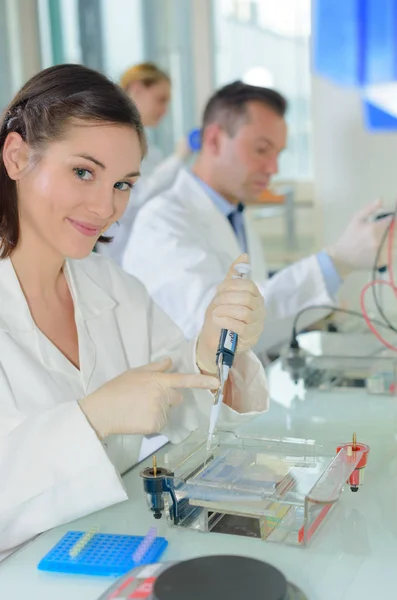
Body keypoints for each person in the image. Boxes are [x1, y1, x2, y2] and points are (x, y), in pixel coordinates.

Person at [0, 66, 268, 561]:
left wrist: (211, 352)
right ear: (17, 157)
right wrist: (90, 418)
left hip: (109, 560)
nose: (106, 207)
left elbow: (192, 414)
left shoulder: (113, 287)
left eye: (123, 184)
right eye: (83, 171)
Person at [122, 81, 393, 353]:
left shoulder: (234, 216)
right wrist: (337, 261)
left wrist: (303, 318)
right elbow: (215, 326)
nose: (273, 168)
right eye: (262, 150)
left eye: (278, 154)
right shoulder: (161, 222)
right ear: (214, 140)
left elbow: (254, 317)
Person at [97, 62, 191, 264]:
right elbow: (136, 197)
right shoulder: (114, 140)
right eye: (160, 100)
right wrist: (178, 158)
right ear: (137, 89)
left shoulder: (146, 145)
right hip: (120, 253)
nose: (164, 110)